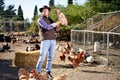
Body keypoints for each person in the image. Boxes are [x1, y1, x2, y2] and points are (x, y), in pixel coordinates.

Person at [36, 5, 61, 79]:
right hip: (45, 40)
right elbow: (47, 27)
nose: (45, 11)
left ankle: (48, 72)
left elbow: (57, 30)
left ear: (48, 12)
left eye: (46, 10)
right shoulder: (40, 20)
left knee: (50, 58)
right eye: (43, 10)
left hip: (53, 40)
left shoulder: (50, 20)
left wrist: (58, 25)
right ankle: (37, 73)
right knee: (42, 57)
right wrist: (56, 23)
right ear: (41, 12)